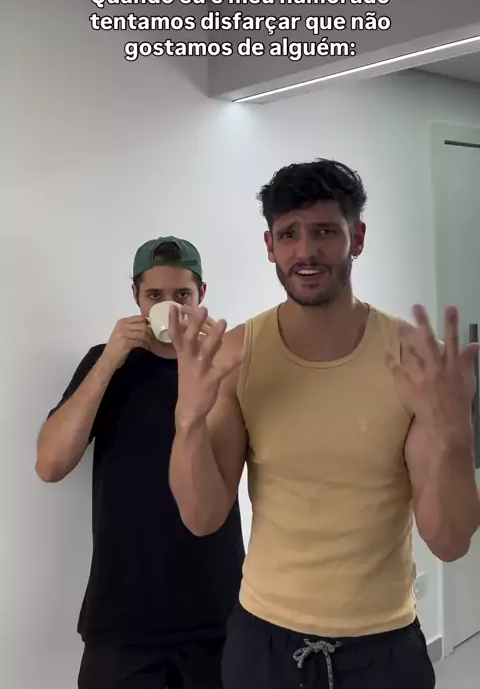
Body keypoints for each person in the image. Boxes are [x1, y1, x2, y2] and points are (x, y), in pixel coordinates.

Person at [169, 160, 480, 689]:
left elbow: (449, 541)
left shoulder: (412, 361)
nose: (305, 250)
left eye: (324, 232)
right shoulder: (238, 355)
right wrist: (188, 420)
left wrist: (455, 439)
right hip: (264, 643)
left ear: (357, 238)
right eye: (288, 234)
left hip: (383, 648)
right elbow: (201, 517)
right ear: (270, 246)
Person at [36, 236, 245, 689]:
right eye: (155, 295)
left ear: (202, 295)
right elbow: (50, 464)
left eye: (182, 295)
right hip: (122, 618)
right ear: (135, 296)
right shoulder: (107, 364)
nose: (171, 308)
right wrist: (110, 360)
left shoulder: (226, 367)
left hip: (217, 612)